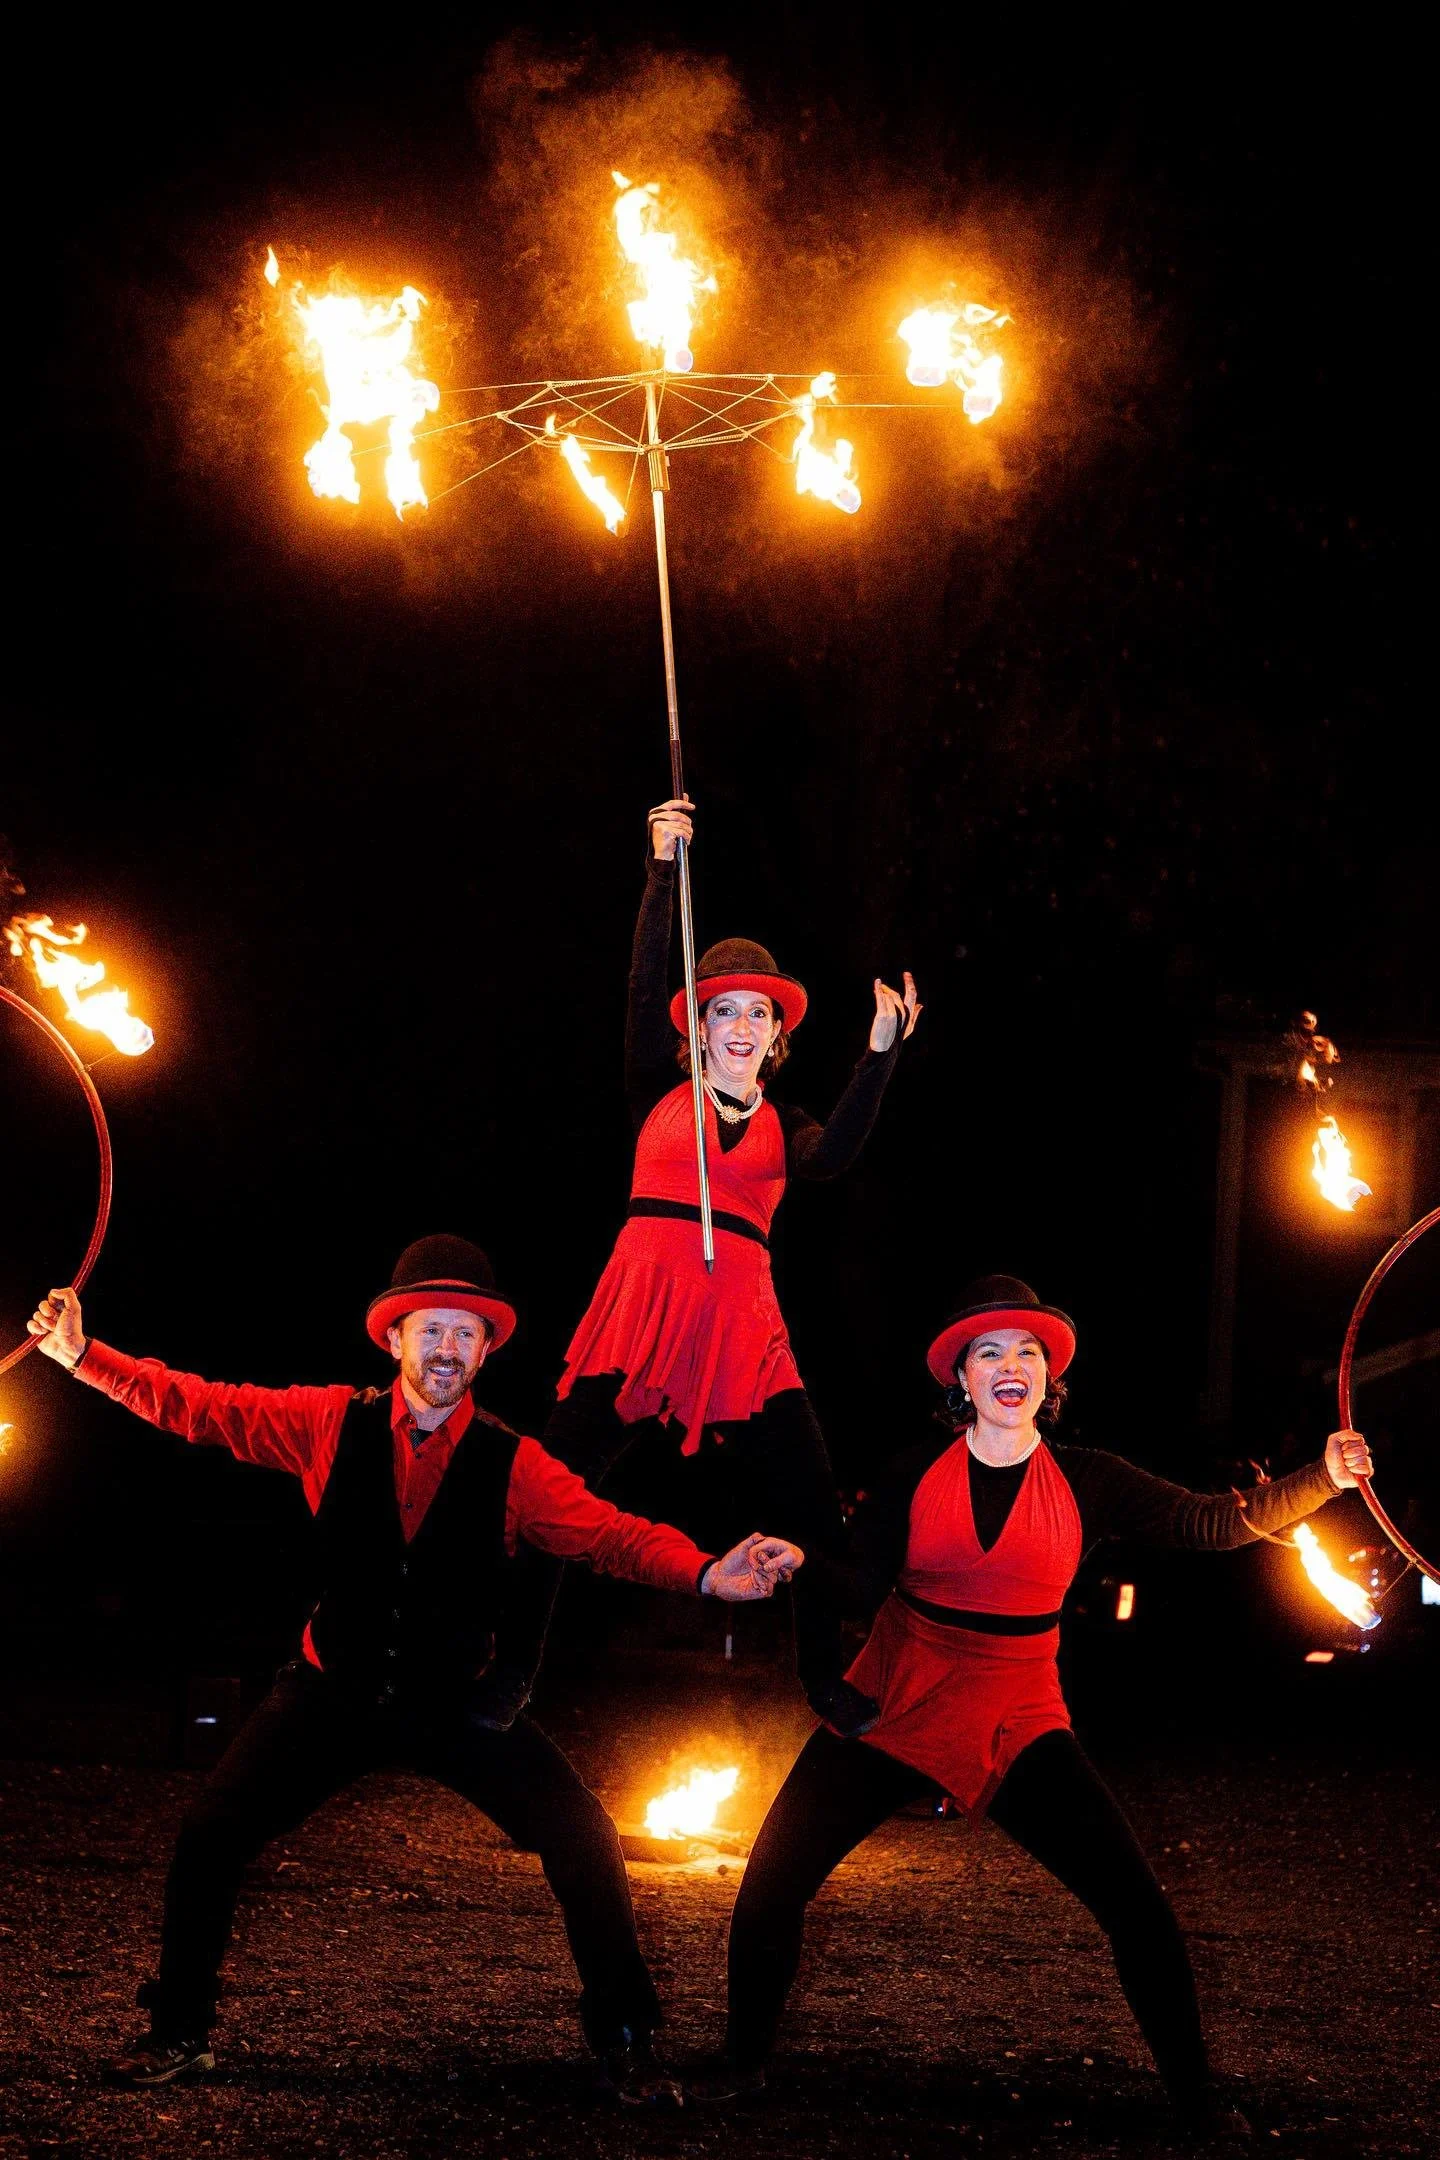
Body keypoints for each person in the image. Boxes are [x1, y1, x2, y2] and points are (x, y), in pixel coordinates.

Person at [28, 1236, 803, 2102]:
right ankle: (179, 2031)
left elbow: (607, 1534)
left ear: (485, 1351)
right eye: (432, 1329)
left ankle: (627, 2040)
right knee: (211, 1833)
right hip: (333, 1690)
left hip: (453, 1703)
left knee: (583, 1836)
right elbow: (199, 1406)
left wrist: (707, 1572)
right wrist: (84, 1358)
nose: (448, 1349)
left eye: (467, 1334)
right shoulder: (328, 1422)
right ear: (396, 1337)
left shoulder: (515, 1464)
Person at [701, 1274, 1374, 2143]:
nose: (1010, 1365)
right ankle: (740, 2068)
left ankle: (1197, 2105)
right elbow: (857, 1586)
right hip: (898, 1695)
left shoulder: (1090, 1478)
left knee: (1137, 1907)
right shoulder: (913, 1471)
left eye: (1027, 1351)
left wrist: (1323, 1477)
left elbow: (1213, 1522)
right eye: (988, 1352)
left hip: (1018, 1712)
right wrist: (798, 1563)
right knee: (772, 1881)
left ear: (1049, 1379)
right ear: (963, 1379)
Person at [486, 796, 920, 1740]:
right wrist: (661, 871)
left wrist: (879, 1057)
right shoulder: (657, 1087)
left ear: (775, 1033)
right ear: (701, 1026)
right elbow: (644, 985)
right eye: (724, 1009)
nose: (740, 1024)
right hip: (640, 1318)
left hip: (742, 1333)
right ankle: (509, 1673)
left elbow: (836, 1155)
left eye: (757, 1012)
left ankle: (824, 1679)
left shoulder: (787, 1124)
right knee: (550, 1493)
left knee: (814, 1511)